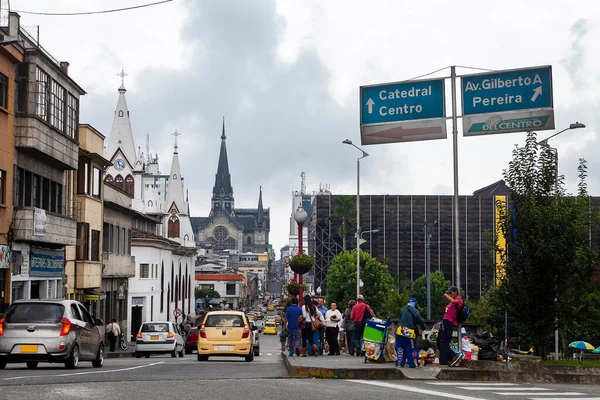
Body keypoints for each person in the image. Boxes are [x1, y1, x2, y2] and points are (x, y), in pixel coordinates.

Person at [395, 298, 426, 368]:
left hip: (399, 331)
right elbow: (421, 321)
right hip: (408, 332)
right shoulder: (415, 311)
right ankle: (413, 364)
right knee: (411, 349)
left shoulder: (403, 310)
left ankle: (399, 363)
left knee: (400, 348)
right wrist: (423, 327)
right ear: (415, 304)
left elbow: (400, 319)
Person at [439, 285, 463, 366]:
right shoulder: (450, 303)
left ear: (455, 292)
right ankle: (447, 358)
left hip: (449, 322)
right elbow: (444, 310)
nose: (450, 294)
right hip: (445, 321)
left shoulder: (458, 300)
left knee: (444, 341)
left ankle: (453, 355)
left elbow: (455, 302)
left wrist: (446, 295)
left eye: (451, 292)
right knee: (440, 341)